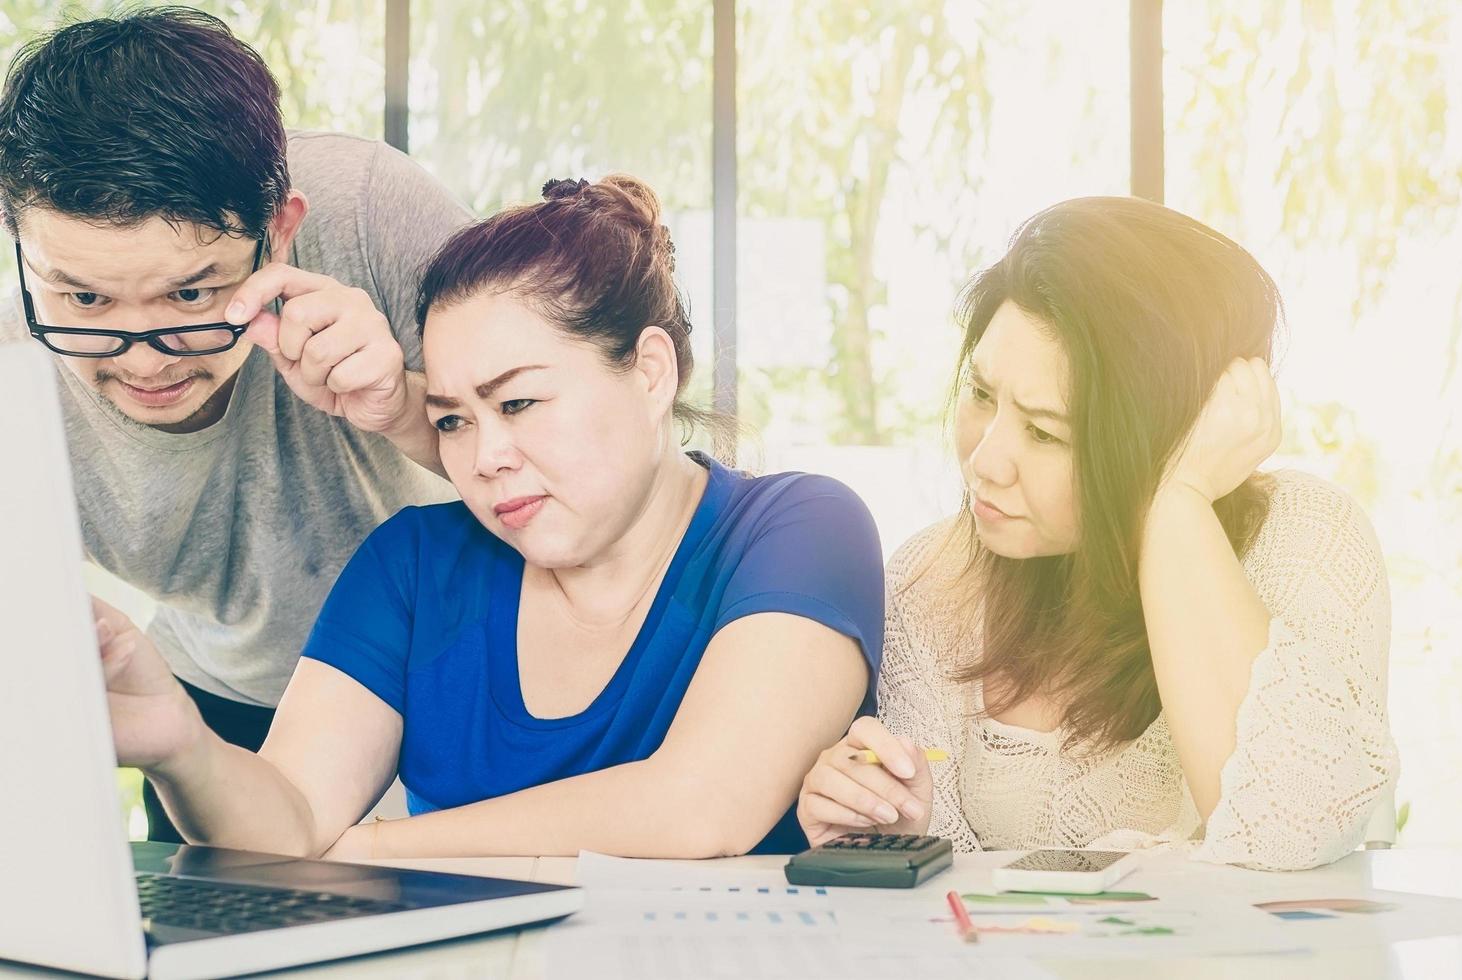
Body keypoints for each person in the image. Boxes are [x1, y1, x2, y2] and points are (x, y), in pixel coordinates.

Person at [91, 174, 886, 858]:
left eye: (519, 403)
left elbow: (703, 805)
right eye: (451, 420)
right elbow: (289, 820)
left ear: (650, 373)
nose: (485, 456)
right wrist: (183, 746)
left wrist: (368, 847)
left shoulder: (799, 530)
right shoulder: (412, 566)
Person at [796, 196, 1398, 872]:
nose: (985, 461)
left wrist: (1176, 500)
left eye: (1046, 431)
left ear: (1165, 437)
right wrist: (898, 825)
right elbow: (959, 917)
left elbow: (1290, 835)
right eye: (983, 395)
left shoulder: (1306, 540)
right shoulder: (931, 582)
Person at [0, 8, 470, 839]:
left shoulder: (369, 211)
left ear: (281, 231)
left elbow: (573, 467)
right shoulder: (15, 357)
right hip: (214, 703)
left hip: (445, 677)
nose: (145, 361)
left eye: (191, 295)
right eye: (84, 299)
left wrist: (404, 405)